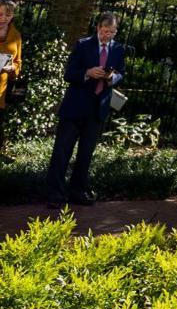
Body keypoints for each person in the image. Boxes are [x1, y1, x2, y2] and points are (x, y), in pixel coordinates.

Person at [45, 11, 126, 206]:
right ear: (98, 28)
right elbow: (69, 74)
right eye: (105, 31)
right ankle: (55, 195)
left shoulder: (118, 49)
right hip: (75, 106)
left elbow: (121, 73)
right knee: (62, 152)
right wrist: (88, 73)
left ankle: (77, 192)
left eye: (112, 32)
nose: (108, 36)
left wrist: (111, 78)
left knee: (86, 153)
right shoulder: (83, 45)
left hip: (98, 108)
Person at [0, 0, 22, 161]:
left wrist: (12, 67)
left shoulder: (15, 35)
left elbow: (18, 63)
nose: (4, 18)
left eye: (8, 15)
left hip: (1, 92)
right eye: (0, 14)